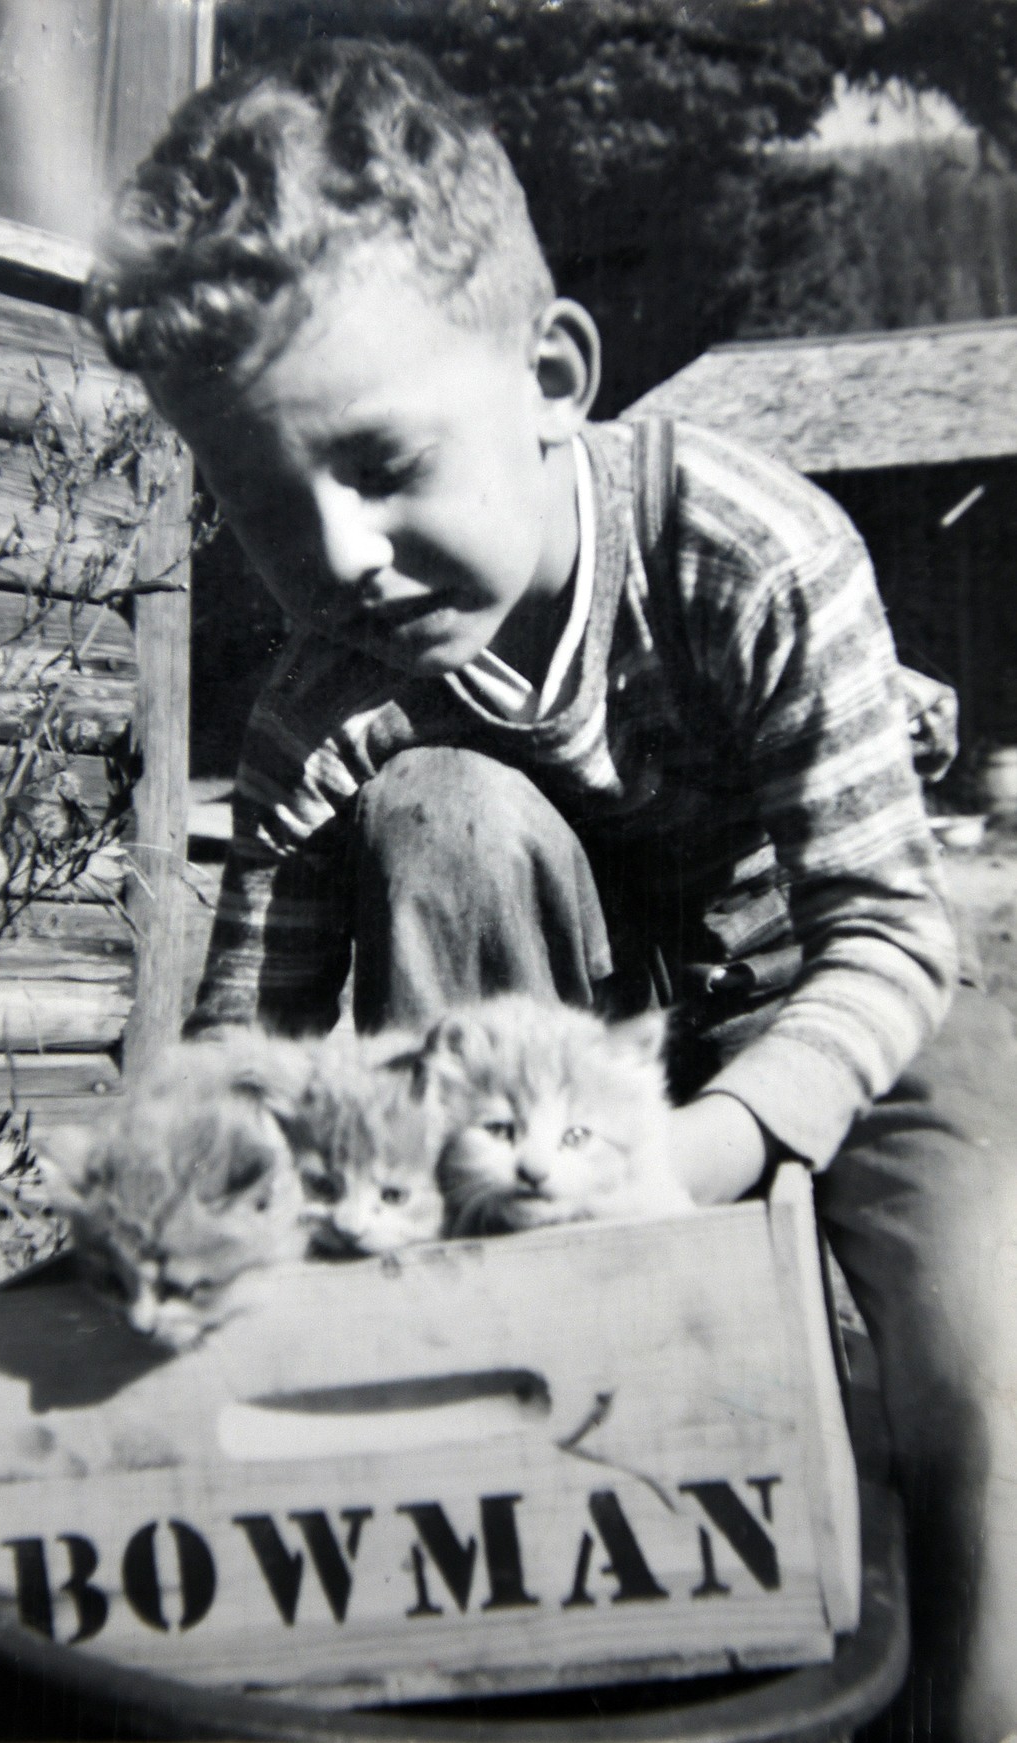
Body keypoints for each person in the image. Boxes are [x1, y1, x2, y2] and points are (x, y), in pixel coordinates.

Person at [86, 39, 1017, 1740]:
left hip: (811, 994)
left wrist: (697, 1156)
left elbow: (887, 934)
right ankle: (543, 1582)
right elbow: (248, 1053)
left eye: (378, 463)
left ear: (553, 375)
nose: (342, 556)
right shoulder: (321, 704)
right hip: (537, 1060)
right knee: (437, 808)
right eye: (266, 504)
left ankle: (949, 1702)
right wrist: (184, 1209)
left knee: (983, 1330)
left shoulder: (743, 546)